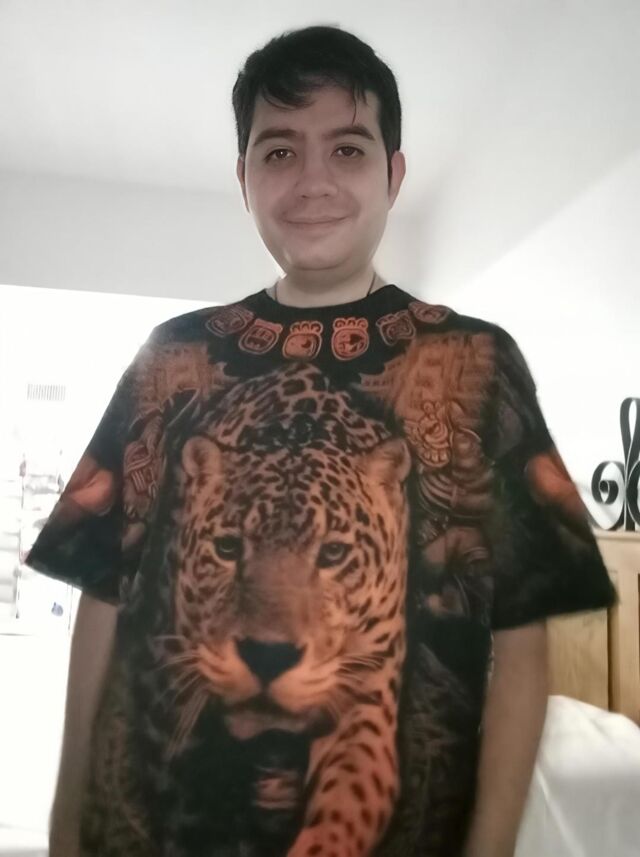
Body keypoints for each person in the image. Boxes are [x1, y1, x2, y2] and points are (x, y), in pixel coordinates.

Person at [26, 24, 617, 857]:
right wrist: (64, 827)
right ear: (243, 178)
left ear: (393, 174)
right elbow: (103, 598)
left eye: (346, 148)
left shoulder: (478, 362)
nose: (312, 180)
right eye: (278, 152)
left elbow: (523, 641)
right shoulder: (169, 359)